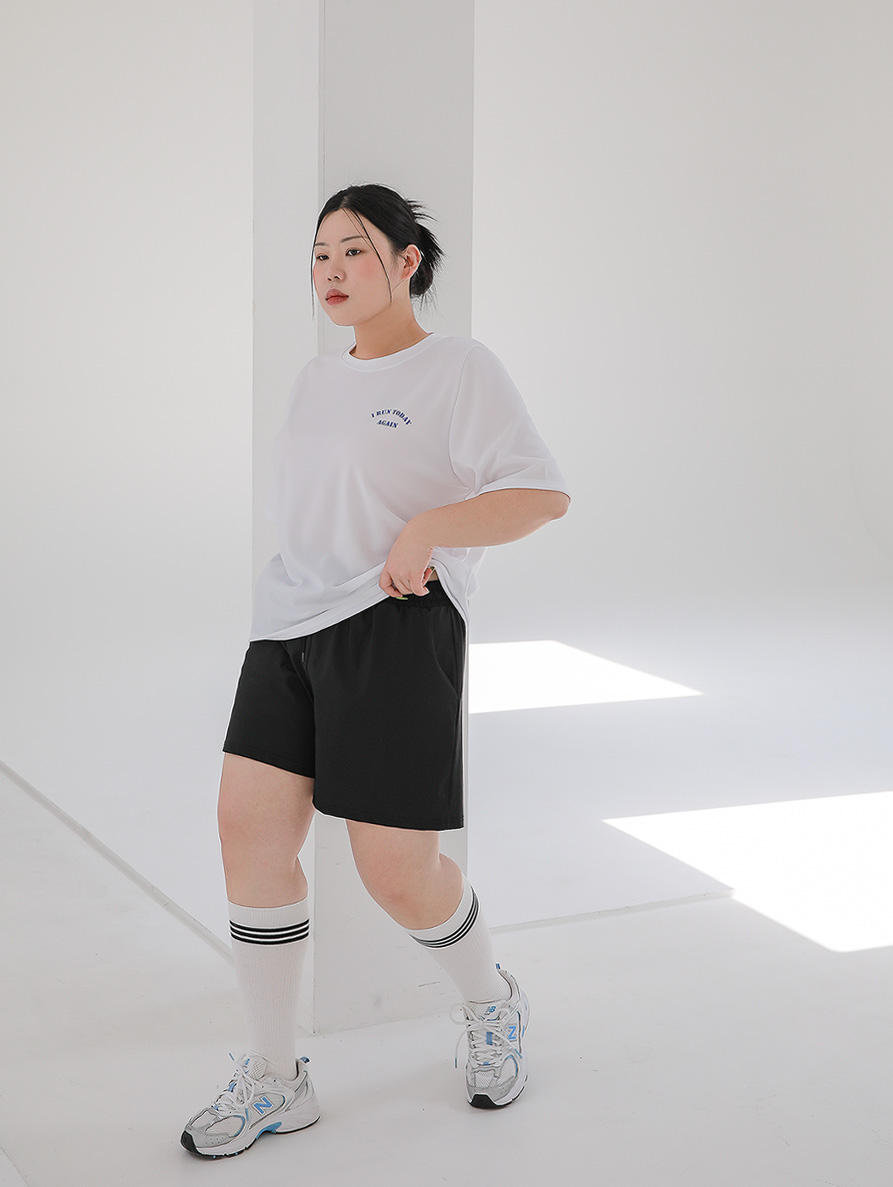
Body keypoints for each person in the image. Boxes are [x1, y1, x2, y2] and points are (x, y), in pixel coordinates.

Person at [181, 183, 571, 1159]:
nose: (332, 270)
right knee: (246, 831)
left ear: (406, 261)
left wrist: (431, 529)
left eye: (354, 250)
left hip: (396, 626)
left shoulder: (459, 368)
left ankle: (491, 999)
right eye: (320, 255)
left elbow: (540, 493)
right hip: (288, 625)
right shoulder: (314, 380)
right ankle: (277, 1075)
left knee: (396, 874)